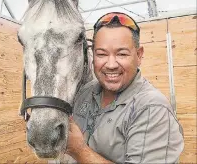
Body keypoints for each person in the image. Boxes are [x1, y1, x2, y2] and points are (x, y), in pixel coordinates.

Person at [66, 12, 184, 163]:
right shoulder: (84, 93)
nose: (111, 64)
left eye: (121, 54)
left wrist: (79, 150)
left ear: (139, 55)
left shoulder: (151, 108)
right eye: (101, 54)